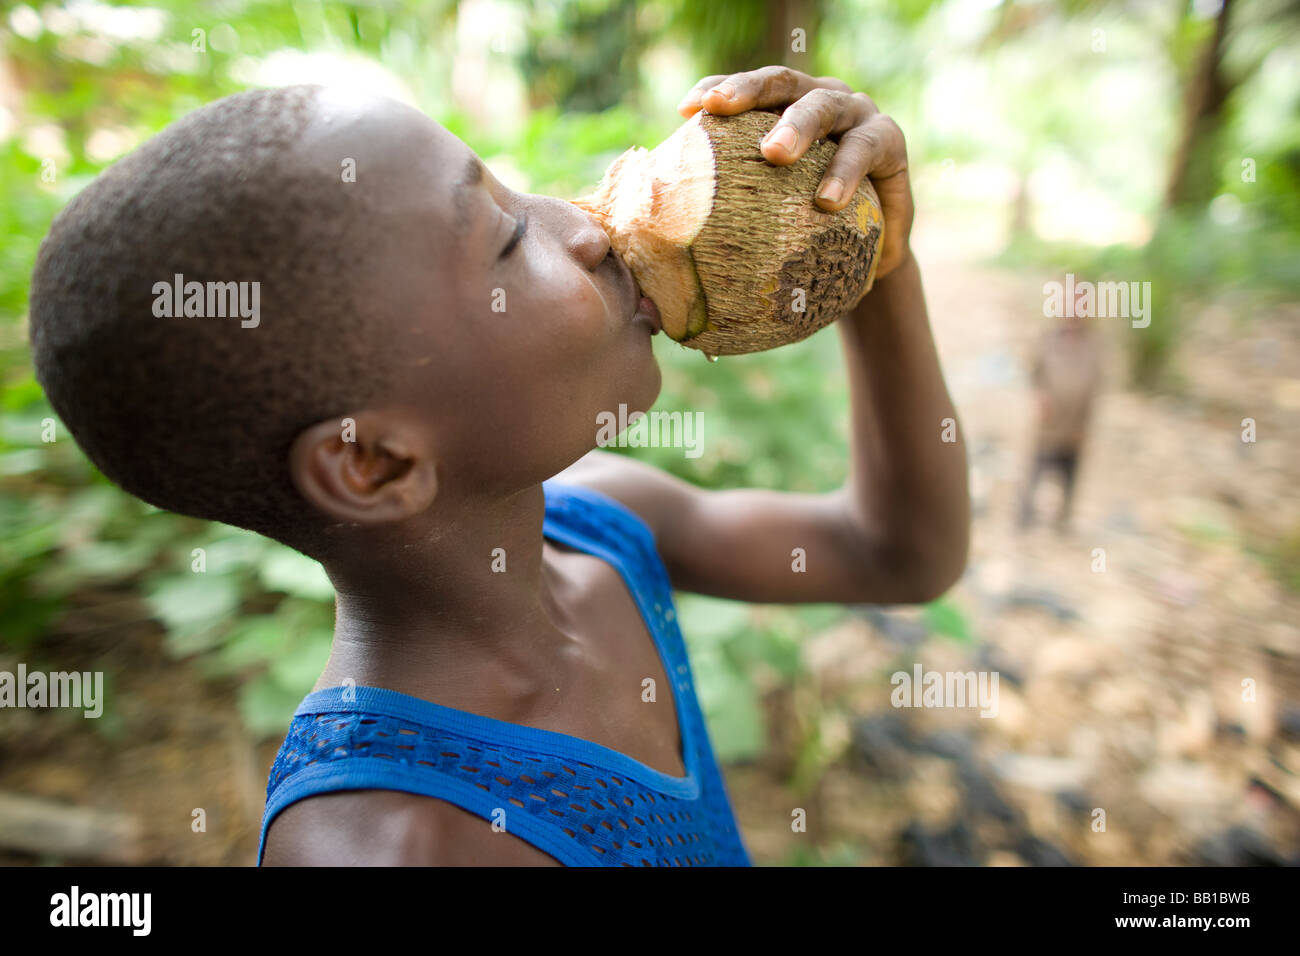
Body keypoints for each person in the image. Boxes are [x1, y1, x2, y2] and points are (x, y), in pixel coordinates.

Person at [28, 66, 969, 866]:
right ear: (372, 463)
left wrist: (883, 265)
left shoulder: (606, 527)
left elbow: (895, 553)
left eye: (516, 193)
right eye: (511, 241)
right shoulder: (391, 840)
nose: (585, 223)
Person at [1018, 302, 1103, 532]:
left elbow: (1096, 385)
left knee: (1069, 473)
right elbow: (1035, 373)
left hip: (1075, 422)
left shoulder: (1093, 344)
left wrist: (1085, 424)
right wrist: (1040, 397)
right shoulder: (1049, 338)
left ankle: (1061, 522)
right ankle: (1024, 519)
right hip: (1050, 422)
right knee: (1038, 468)